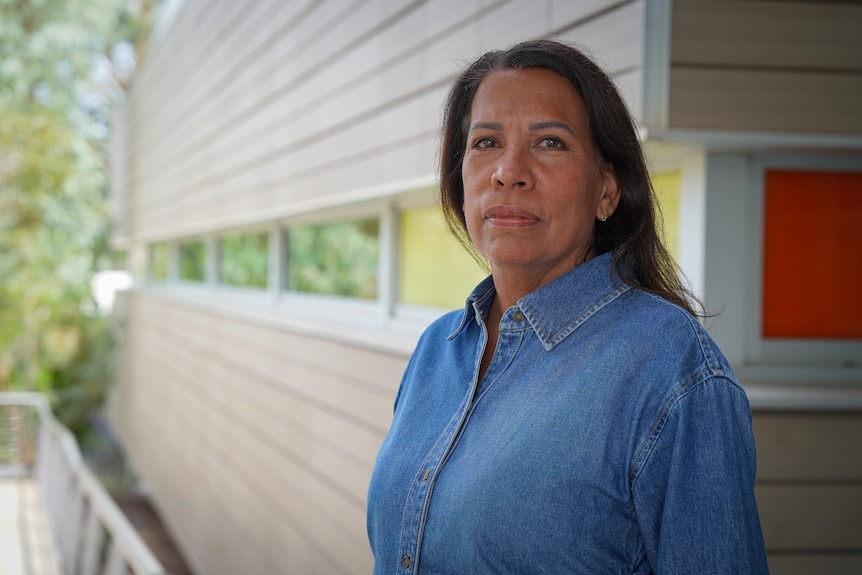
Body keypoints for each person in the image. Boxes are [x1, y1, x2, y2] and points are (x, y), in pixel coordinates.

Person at [366, 39, 769, 574]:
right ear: (459, 179)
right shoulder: (436, 350)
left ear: (607, 189)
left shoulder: (671, 370)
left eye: (549, 143)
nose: (509, 172)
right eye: (485, 142)